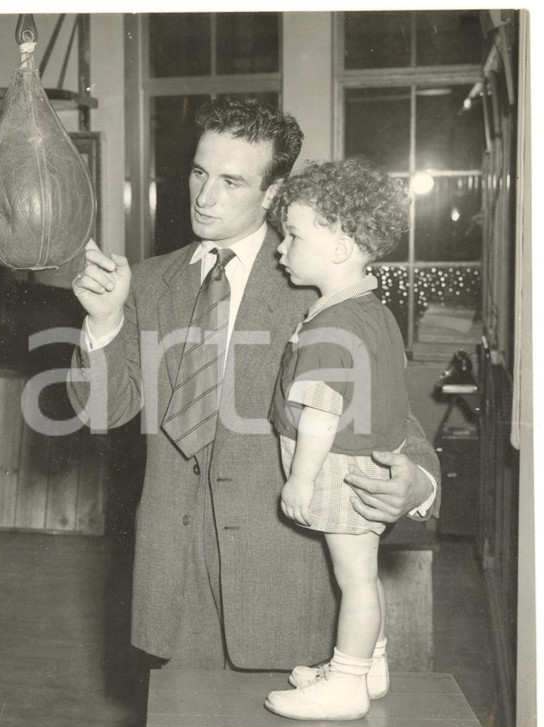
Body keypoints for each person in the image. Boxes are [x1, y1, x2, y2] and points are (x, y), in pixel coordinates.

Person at [67, 98, 441, 674]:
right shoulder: (145, 282)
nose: (203, 197)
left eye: (231, 181)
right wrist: (104, 322)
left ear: (273, 194)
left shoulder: (319, 284)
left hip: (287, 586)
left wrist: (417, 483)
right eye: (198, 172)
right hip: (174, 584)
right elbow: (103, 411)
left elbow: (391, 413)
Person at [262, 159, 411, 720]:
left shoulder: (333, 327)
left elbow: (321, 414)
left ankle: (346, 685)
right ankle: (367, 665)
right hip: (365, 463)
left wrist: (299, 480)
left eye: (295, 236)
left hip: (336, 471)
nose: (282, 249)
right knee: (361, 575)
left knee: (354, 580)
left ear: (342, 247)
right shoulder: (368, 310)